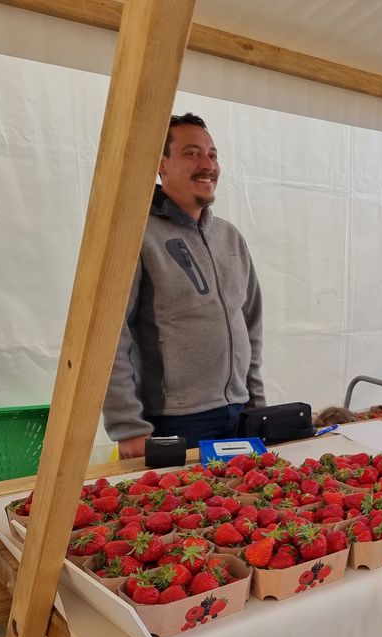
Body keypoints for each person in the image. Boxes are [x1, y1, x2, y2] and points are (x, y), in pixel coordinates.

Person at [104, 113, 265, 458]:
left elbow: (250, 325)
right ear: (161, 164)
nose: (208, 165)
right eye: (192, 153)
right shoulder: (136, 236)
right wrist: (128, 426)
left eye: (213, 155)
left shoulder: (230, 237)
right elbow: (110, 336)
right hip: (175, 421)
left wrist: (257, 405)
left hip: (240, 413)